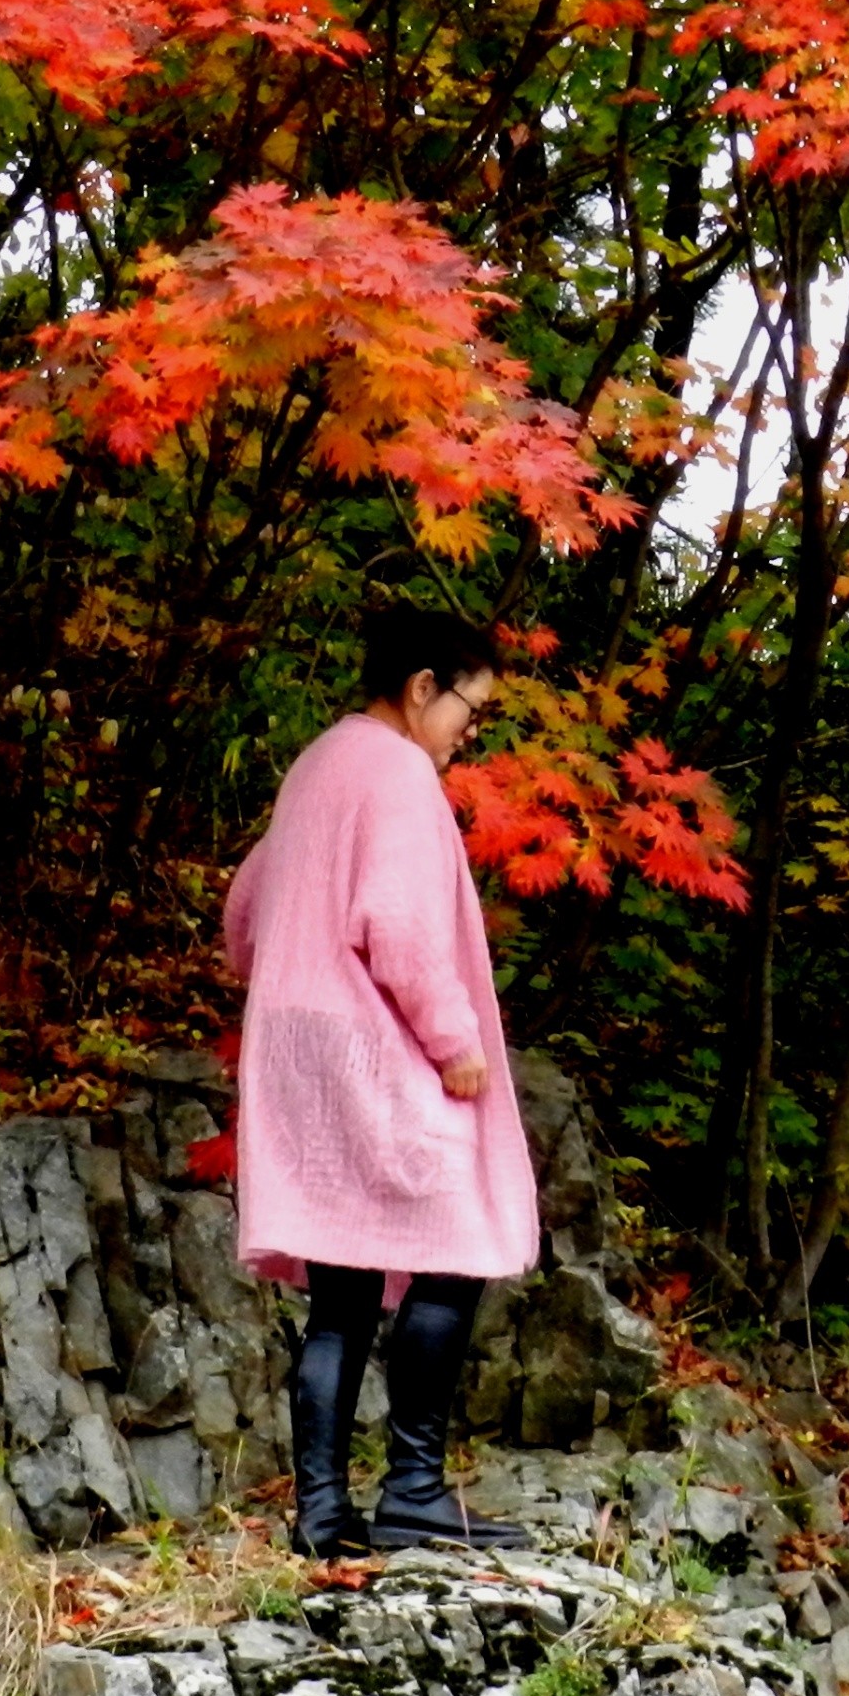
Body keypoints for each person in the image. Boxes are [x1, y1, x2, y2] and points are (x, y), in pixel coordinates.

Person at [224, 604, 538, 1557]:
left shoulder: (315, 765)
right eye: (468, 711)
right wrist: (453, 1042)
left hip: (297, 1051)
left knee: (341, 1295)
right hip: (375, 1046)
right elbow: (397, 925)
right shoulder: (399, 772)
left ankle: (322, 1517)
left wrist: (291, 972)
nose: (468, 733)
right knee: (454, 1248)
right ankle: (412, 1491)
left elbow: (245, 909)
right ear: (420, 689)